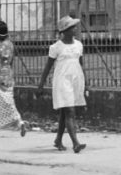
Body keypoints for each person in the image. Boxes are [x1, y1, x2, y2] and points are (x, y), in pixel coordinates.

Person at [37, 15, 88, 153]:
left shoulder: (78, 45)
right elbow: (48, 67)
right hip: (62, 82)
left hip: (75, 81)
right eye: (72, 28)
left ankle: (58, 140)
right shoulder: (56, 47)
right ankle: (76, 143)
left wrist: (86, 84)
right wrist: (41, 85)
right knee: (70, 111)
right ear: (64, 31)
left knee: (66, 113)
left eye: (75, 27)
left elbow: (81, 65)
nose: (75, 29)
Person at [0, 20, 27, 138]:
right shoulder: (10, 45)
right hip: (8, 75)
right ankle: (19, 122)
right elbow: (11, 61)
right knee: (9, 102)